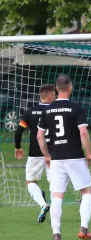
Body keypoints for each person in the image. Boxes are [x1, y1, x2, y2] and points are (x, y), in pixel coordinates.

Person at [37, 74, 91, 240]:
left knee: (57, 196)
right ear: (70, 87)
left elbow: (39, 137)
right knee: (86, 191)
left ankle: (56, 234)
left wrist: (47, 156)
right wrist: (89, 154)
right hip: (74, 157)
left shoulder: (47, 110)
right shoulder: (75, 108)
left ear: (56, 89)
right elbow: (83, 132)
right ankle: (83, 229)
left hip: (56, 159)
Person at [14, 84, 56, 223]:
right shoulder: (55, 110)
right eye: (54, 95)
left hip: (35, 152)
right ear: (50, 96)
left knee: (31, 181)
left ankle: (43, 204)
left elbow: (19, 131)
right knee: (55, 183)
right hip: (53, 153)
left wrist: (18, 147)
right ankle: (56, 213)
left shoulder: (30, 111)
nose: (55, 97)